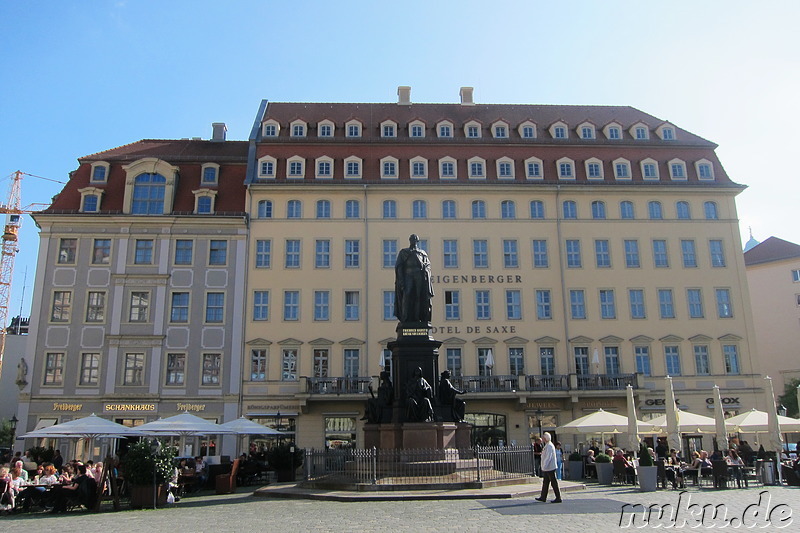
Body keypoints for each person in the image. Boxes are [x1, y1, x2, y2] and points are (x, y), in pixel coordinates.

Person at [394, 234, 434, 324]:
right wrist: (401, 280)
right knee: (407, 295)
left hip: (419, 276)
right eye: (412, 239)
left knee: (419, 296)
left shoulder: (422, 253)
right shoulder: (404, 252)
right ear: (410, 240)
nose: (413, 241)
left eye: (415, 240)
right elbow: (399, 266)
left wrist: (426, 269)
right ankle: (406, 317)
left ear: (417, 241)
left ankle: (418, 317)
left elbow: (428, 265)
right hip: (408, 275)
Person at [534, 432, 561, 503]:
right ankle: (543, 497)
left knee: (553, 482)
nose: (542, 439)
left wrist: (544, 466)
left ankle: (558, 497)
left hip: (550, 467)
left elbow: (548, 457)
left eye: (543, 437)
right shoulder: (547, 445)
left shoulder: (549, 446)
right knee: (546, 482)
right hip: (548, 467)